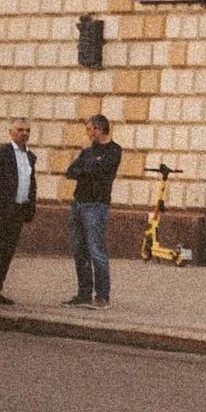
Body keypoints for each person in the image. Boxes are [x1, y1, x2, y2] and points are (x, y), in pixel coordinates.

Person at [63, 110, 123, 308]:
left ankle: (103, 296)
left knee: (96, 251)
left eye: (89, 129)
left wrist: (87, 165)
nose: (88, 133)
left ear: (99, 129)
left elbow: (100, 172)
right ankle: (84, 293)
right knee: (79, 250)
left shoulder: (114, 150)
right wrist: (87, 164)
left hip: (96, 205)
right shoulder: (89, 151)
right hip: (79, 203)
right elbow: (71, 171)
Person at [0, 119, 37, 305]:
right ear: (11, 132)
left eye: (27, 130)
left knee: (8, 252)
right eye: (20, 130)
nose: (24, 133)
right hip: (1, 211)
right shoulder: (0, 154)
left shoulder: (30, 157)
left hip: (18, 211)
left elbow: (29, 182)